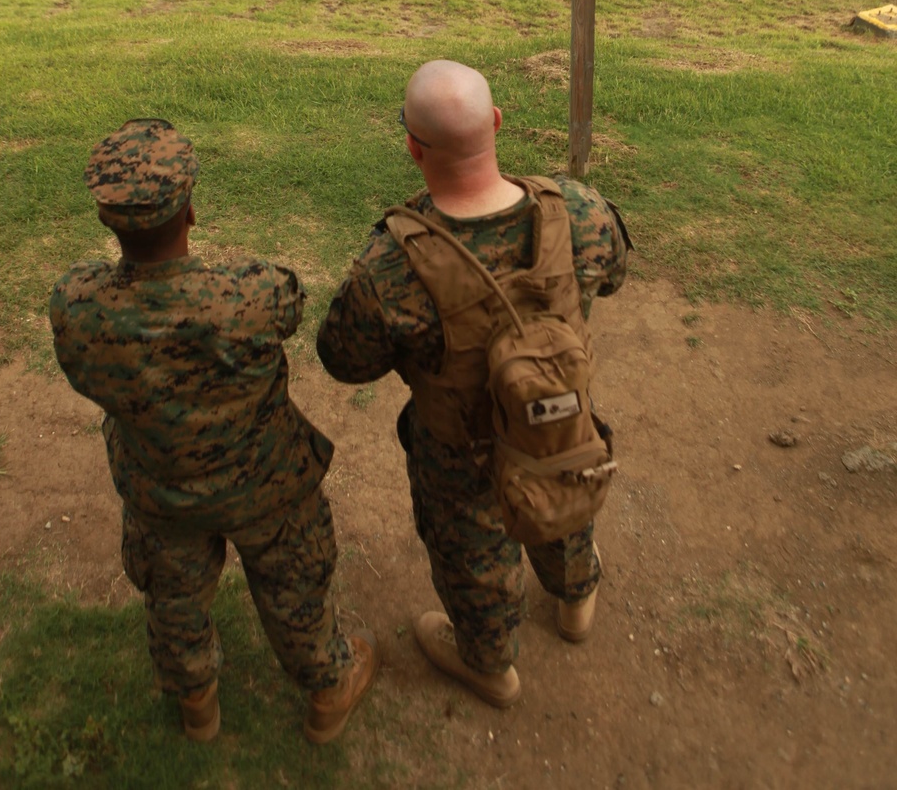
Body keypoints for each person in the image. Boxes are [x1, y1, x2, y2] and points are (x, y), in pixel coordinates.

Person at [50, 119, 378, 746]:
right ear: (191, 210)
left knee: (174, 595)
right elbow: (291, 297)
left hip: (160, 489)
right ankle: (328, 688)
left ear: (107, 220)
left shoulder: (77, 307)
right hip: (268, 482)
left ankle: (197, 703)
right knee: (294, 586)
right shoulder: (247, 300)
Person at [317, 62, 629, 709]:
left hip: (460, 452)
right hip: (559, 418)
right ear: (496, 123)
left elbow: (344, 359)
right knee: (563, 479)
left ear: (412, 146)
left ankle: (489, 663)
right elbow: (615, 270)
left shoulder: (392, 265)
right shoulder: (578, 208)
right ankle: (576, 598)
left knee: (471, 551)